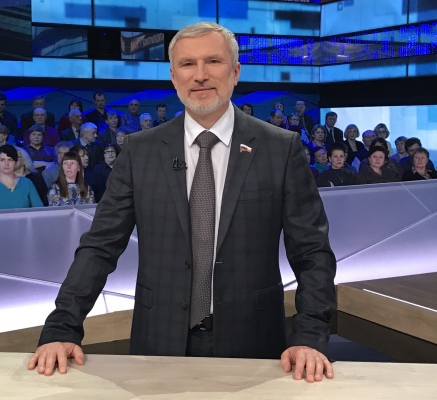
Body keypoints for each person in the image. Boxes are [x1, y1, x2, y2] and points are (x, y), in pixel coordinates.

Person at [29, 22, 335, 383]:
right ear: (174, 77)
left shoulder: (280, 149)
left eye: (213, 61)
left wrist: (310, 336)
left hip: (255, 342)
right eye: (188, 64)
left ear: (236, 72)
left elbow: (312, 252)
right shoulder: (140, 152)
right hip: (158, 340)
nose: (200, 75)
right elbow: (100, 247)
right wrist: (62, 327)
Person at [0, 145, 44, 210]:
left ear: (15, 162)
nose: (6, 164)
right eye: (2, 160)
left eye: (10, 160)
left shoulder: (27, 183)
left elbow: (39, 210)